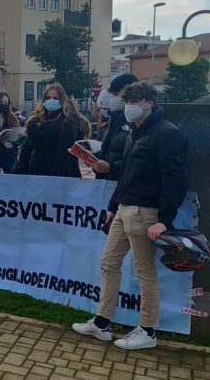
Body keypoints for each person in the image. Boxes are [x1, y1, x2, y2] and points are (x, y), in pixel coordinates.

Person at [73, 81, 188, 350]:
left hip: (145, 212)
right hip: (125, 208)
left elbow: (175, 179)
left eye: (133, 102)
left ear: (149, 103)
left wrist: (164, 219)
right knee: (108, 263)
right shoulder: (136, 133)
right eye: (127, 102)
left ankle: (148, 330)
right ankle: (102, 322)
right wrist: (113, 206)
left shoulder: (167, 134)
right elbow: (126, 174)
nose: (128, 108)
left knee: (144, 271)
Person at [13, 83, 90, 178]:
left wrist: (54, 176)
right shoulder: (35, 121)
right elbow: (27, 148)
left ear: (62, 100)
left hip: (61, 173)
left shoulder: (68, 122)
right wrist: (20, 170)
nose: (51, 100)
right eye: (48, 97)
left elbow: (64, 152)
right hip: (37, 170)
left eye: (55, 98)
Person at [94, 74, 137, 181]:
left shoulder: (135, 120)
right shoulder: (114, 117)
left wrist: (111, 167)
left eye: (116, 94)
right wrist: (94, 158)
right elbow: (108, 149)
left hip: (122, 181)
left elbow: (137, 159)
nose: (113, 99)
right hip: (106, 179)